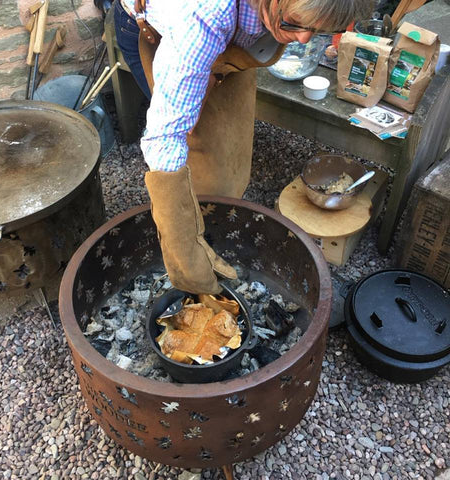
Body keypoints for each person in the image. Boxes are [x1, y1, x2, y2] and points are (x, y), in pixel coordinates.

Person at [114, 0, 371, 294]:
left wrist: (286, 23)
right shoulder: (203, 17)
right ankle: (198, 248)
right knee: (194, 149)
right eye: (294, 24)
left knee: (229, 156)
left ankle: (220, 228)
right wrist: (181, 243)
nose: (304, 39)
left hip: (229, 50)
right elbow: (165, 136)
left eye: (318, 30)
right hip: (160, 30)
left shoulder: (271, 15)